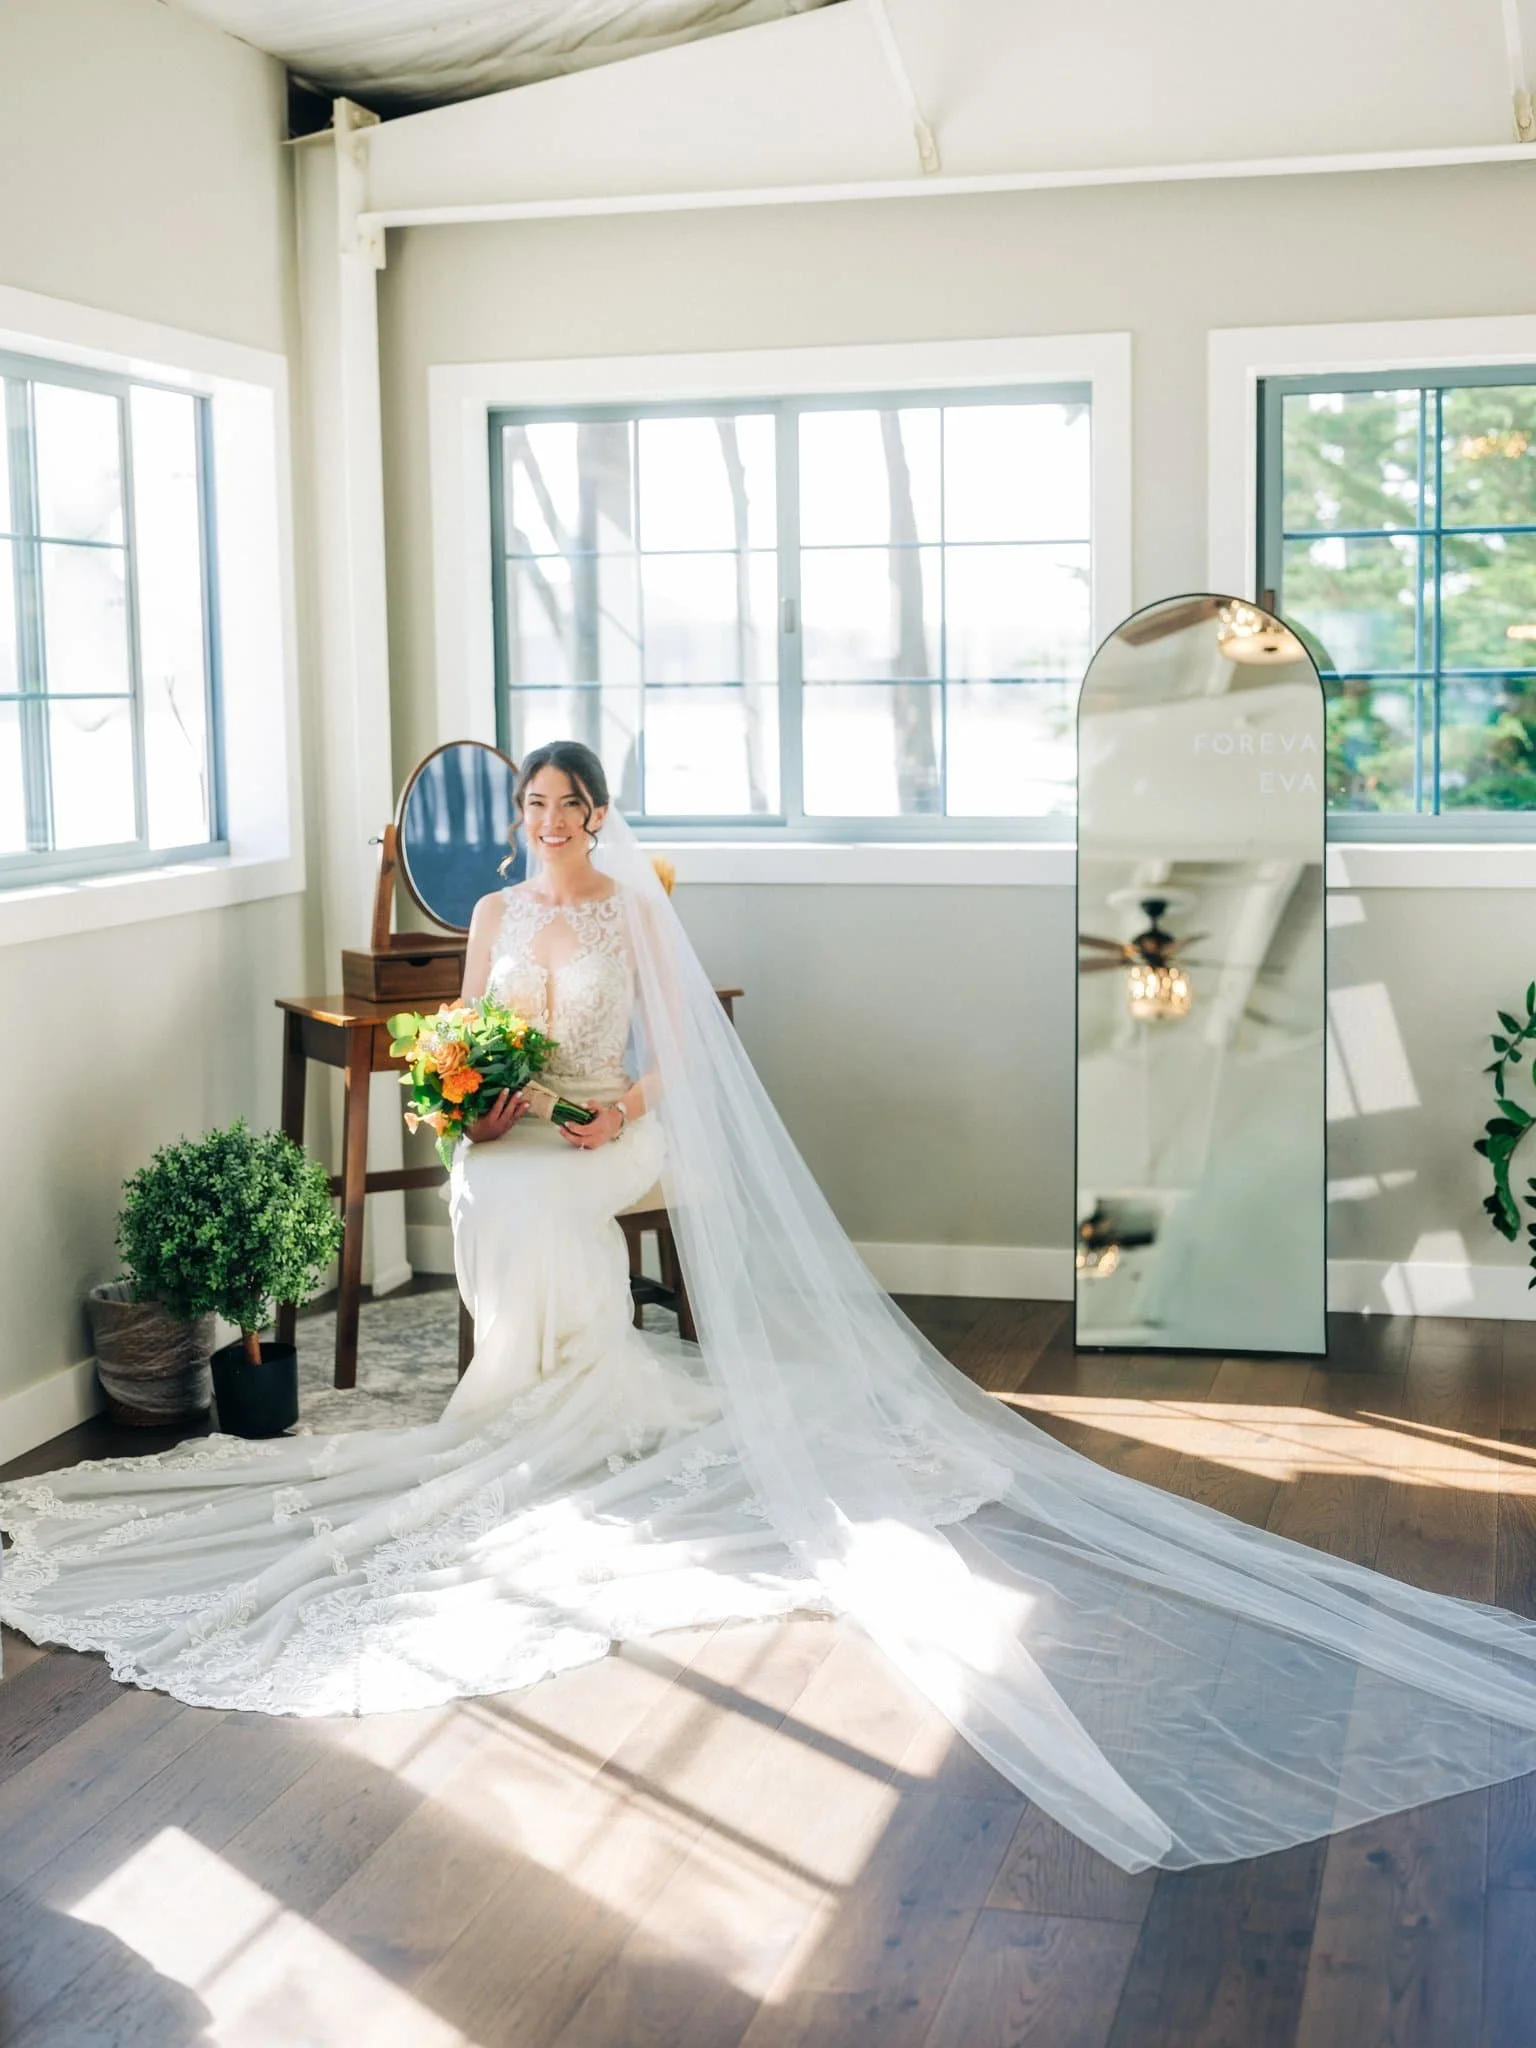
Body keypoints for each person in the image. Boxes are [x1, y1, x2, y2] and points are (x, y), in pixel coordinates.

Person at [5, 738, 1536, 1875]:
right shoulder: (488, 915)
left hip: (624, 1121)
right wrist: (471, 1103)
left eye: (563, 807)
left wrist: (611, 1118)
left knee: (545, 1195)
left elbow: (673, 1051)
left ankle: (567, 1388)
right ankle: (534, 1372)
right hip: (524, 1128)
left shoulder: (624, 909)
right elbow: (465, 1037)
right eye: (530, 808)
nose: (544, 825)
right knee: (491, 1191)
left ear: (596, 815)